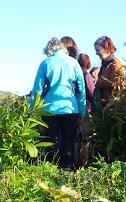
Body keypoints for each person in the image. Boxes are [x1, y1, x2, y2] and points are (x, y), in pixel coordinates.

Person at [29, 37, 86, 168]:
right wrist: (82, 111)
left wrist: (32, 109)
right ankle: (68, 168)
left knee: (50, 141)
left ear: (49, 50)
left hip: (49, 108)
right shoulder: (73, 63)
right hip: (70, 107)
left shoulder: (45, 63)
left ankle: (51, 168)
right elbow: (81, 89)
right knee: (68, 140)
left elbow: (37, 89)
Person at [93, 36, 124, 108]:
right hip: (105, 105)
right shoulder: (104, 64)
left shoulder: (115, 63)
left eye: (98, 50)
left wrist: (97, 82)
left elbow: (117, 83)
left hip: (114, 106)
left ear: (107, 49)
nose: (96, 53)